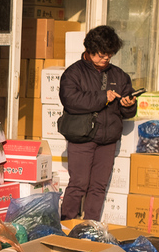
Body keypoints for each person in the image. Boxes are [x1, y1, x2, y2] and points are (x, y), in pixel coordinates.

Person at [58, 25, 138, 220]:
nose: (106, 59)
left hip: (108, 138)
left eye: (109, 55)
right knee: (78, 184)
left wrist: (128, 104)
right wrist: (103, 97)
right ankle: (66, 222)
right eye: (102, 55)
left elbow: (127, 111)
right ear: (90, 50)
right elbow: (71, 101)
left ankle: (90, 228)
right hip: (82, 137)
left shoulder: (119, 75)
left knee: (98, 186)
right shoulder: (73, 73)